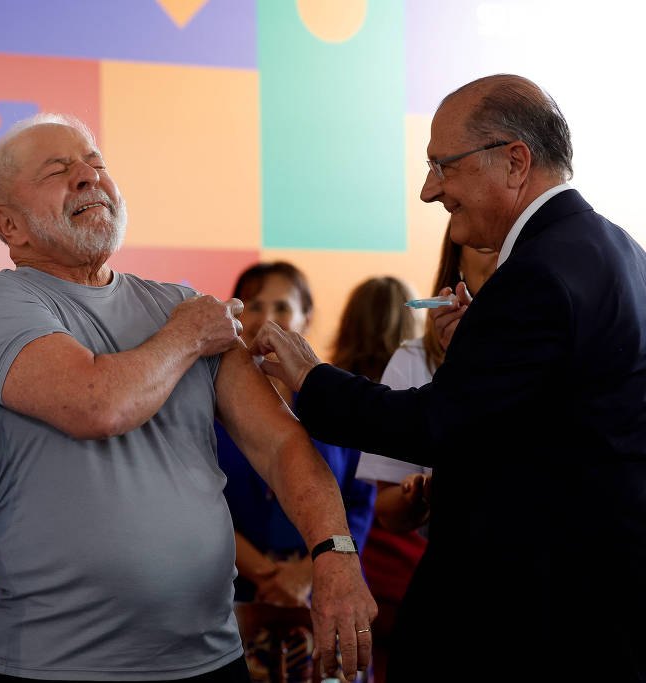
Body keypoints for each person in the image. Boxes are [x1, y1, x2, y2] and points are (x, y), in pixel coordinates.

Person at [0, 113, 377, 682]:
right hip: (57, 666)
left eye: (95, 163)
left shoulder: (183, 306)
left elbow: (281, 446)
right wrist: (187, 336)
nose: (88, 177)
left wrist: (335, 553)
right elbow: (97, 404)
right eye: (58, 170)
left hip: (211, 657)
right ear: (9, 226)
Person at [249, 74, 646, 680]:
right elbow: (546, 417)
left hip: (529, 617)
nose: (429, 189)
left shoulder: (539, 272)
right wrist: (479, 354)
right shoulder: (618, 249)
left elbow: (434, 423)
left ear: (515, 161)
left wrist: (312, 376)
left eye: (443, 166)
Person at [220, 265, 403, 682]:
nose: (267, 318)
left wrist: (309, 570)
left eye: (283, 307)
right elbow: (202, 501)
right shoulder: (210, 403)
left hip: (327, 588)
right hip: (238, 595)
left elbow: (361, 501)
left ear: (306, 316)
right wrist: (267, 574)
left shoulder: (336, 397)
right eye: (255, 305)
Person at [353, 226, 497, 682]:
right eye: (486, 246)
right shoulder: (414, 360)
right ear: (457, 264)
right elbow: (388, 510)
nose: (502, 257)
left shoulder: (565, 348)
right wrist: (421, 493)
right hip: (453, 590)